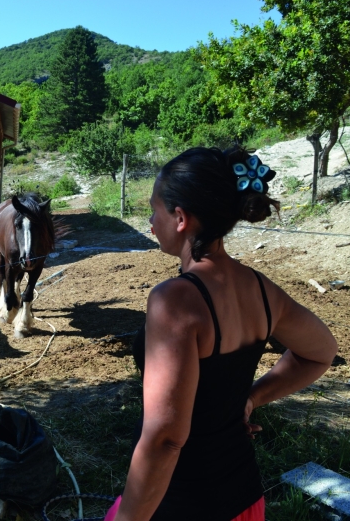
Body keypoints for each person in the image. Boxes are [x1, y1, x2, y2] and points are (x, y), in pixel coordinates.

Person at [106, 146, 338, 521]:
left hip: (179, 503)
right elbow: (321, 351)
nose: (151, 221)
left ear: (180, 218)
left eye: (154, 209)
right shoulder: (261, 289)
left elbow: (167, 437)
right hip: (244, 497)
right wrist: (251, 399)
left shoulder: (175, 300)